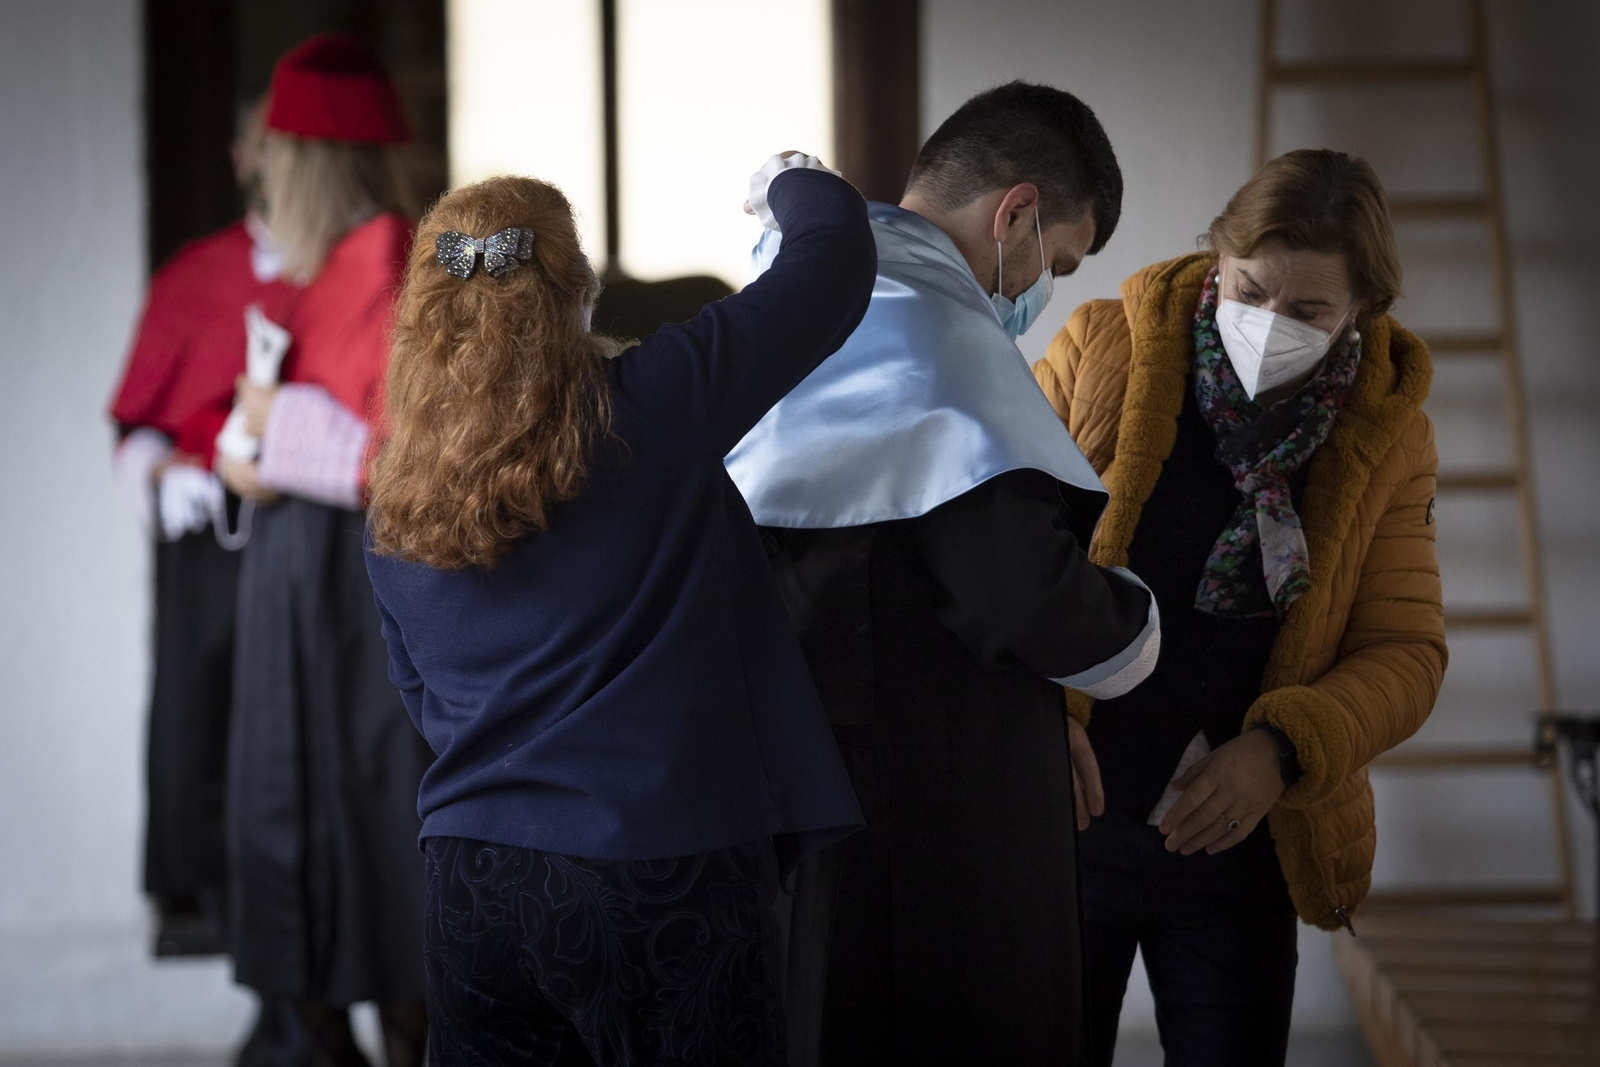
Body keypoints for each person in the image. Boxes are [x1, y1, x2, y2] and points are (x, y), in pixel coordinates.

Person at [363, 153, 874, 1066]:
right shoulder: (653, 402)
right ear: (580, 293)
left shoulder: (396, 492)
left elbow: (424, 700)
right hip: (661, 863)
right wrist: (788, 179)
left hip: (471, 877)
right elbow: (833, 263)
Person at [724, 82, 1159, 1065]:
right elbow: (1024, 593)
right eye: (1053, 262)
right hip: (937, 821)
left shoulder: (796, 295)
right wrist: (1131, 620)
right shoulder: (935, 337)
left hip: (787, 783)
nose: (1037, 290)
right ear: (1014, 212)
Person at [1031, 148, 1448, 1067]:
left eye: (1308, 312)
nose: (1267, 324)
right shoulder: (1103, 349)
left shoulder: (1388, 434)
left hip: (1243, 845)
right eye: (1249, 290)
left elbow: (1407, 650)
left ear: (1362, 312)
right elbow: (1002, 558)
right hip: (1068, 825)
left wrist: (1283, 749)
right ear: (1216, 259)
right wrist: (1029, 720)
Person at [216, 35, 430, 1066]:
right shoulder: (322, 268)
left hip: (354, 596)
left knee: (375, 829)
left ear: (302, 161)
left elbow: (404, 458)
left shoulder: (387, 260)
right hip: (296, 587)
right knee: (296, 810)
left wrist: (281, 428)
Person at [108, 92, 310, 1065]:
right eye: (269, 140)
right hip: (213, 548)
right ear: (242, 154)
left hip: (323, 538)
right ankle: (276, 1004)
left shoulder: (357, 265)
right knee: (211, 759)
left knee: (308, 763)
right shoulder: (196, 275)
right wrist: (159, 474)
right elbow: (137, 418)